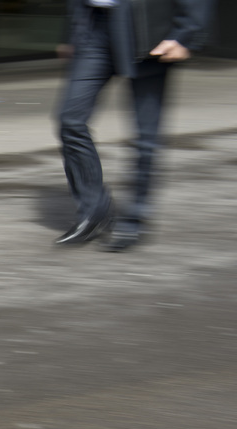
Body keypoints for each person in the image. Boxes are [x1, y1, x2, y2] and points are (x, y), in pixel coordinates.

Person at [55, 0, 212, 251]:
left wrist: (185, 33)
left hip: (144, 30)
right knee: (70, 120)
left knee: (144, 136)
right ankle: (94, 211)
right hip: (92, 25)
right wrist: (70, 32)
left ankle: (134, 220)